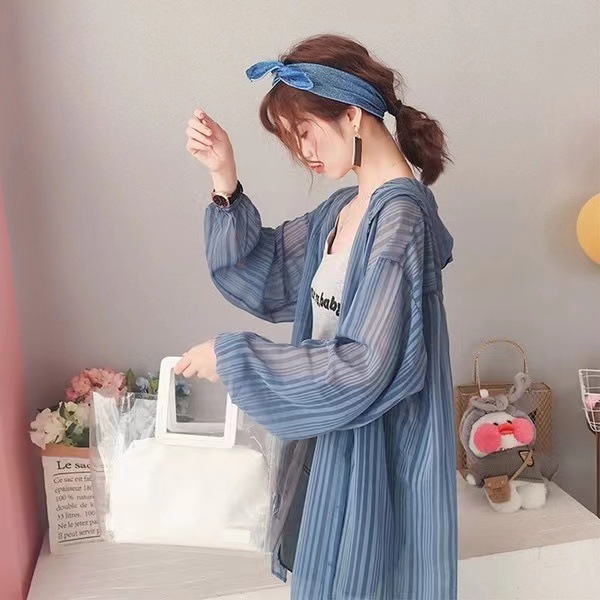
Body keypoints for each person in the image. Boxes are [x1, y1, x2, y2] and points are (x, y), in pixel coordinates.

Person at [175, 33, 457, 600]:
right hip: (330, 436)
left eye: (304, 130)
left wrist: (234, 359)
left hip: (371, 447)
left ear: (352, 114)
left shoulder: (399, 218)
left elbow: (366, 366)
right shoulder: (343, 210)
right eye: (290, 138)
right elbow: (264, 273)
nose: (301, 150)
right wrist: (224, 177)